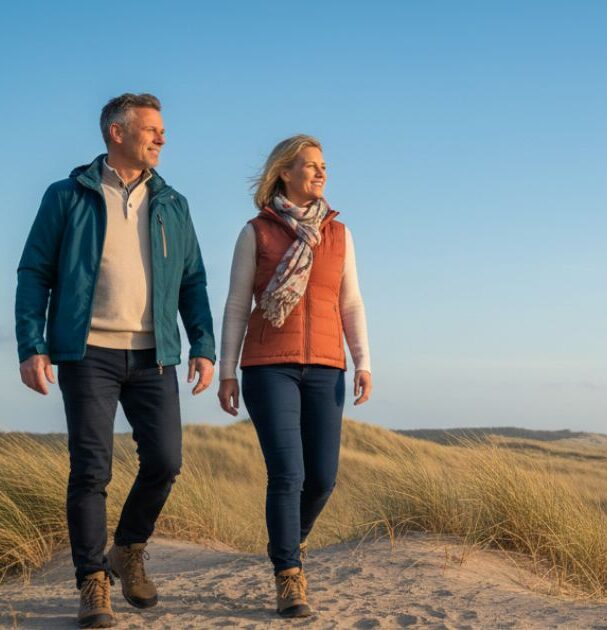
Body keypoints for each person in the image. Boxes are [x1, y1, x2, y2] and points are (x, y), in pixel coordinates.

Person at [14, 93, 216, 628]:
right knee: (91, 470)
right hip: (88, 353)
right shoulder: (67, 195)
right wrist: (32, 345)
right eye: (152, 129)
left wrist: (203, 345)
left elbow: (193, 279)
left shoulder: (172, 203)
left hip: (155, 355)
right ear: (116, 132)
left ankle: (128, 547)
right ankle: (92, 584)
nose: (162, 138)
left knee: (167, 461)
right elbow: (34, 272)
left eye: (162, 130)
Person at [217, 134, 371, 618]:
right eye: (310, 165)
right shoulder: (256, 232)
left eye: (323, 165)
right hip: (268, 367)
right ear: (284, 172)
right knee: (288, 473)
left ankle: (289, 545)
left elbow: (350, 302)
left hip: (327, 366)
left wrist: (363, 361)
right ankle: (288, 574)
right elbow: (238, 304)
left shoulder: (338, 235)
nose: (320, 173)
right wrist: (227, 373)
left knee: (322, 479)